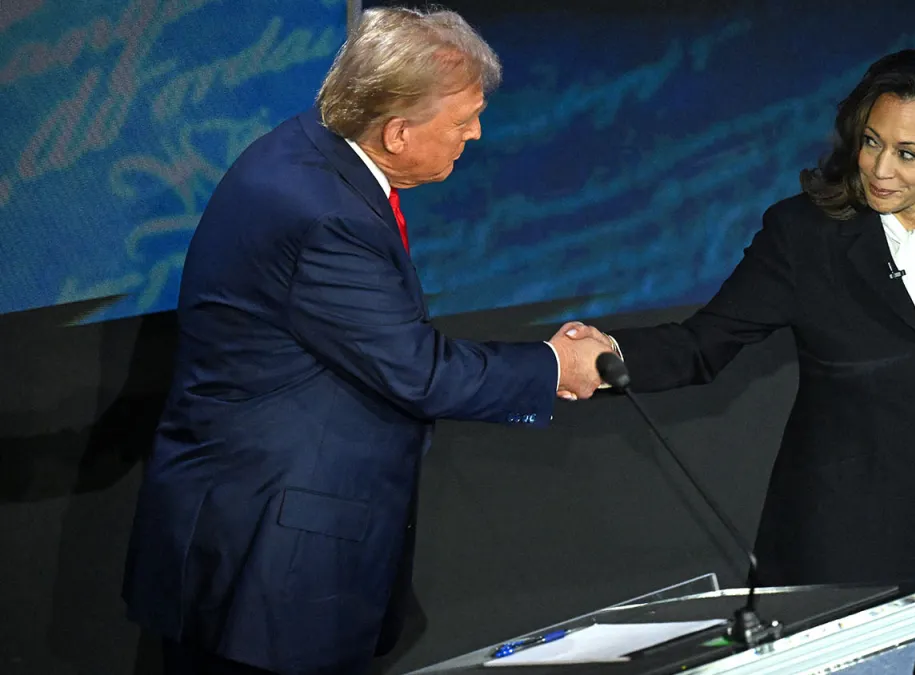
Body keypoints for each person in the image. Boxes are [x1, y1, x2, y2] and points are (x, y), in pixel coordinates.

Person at [121, 7, 611, 675]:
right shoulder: (323, 213)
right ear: (399, 131)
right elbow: (417, 369)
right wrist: (554, 363)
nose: (476, 132)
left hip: (255, 532)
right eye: (463, 118)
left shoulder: (305, 151)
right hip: (270, 561)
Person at [568, 48, 915, 674]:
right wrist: (605, 357)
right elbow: (704, 344)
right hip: (845, 558)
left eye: (907, 153)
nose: (880, 169)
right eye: (870, 142)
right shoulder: (805, 234)